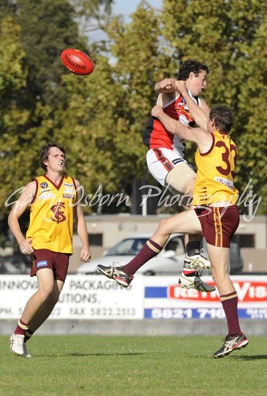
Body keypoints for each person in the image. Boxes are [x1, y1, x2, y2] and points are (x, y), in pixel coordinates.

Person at [98, 104, 248, 358]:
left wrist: (159, 114)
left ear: (212, 123)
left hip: (217, 212)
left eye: (206, 121)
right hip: (214, 211)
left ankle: (235, 333)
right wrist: (187, 95)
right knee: (166, 226)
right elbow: (202, 119)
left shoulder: (207, 136)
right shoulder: (229, 142)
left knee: (220, 275)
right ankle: (127, 272)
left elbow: (178, 128)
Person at [8, 142, 91, 357]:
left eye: (62, 154)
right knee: (45, 289)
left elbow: (80, 218)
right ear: (46, 161)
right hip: (41, 244)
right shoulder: (35, 185)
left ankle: (24, 337)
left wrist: (86, 245)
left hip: (63, 248)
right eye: (55, 155)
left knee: (53, 298)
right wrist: (21, 240)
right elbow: (12, 217)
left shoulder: (74, 184)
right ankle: (18, 333)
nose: (61, 158)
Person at [142, 59, 213, 292]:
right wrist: (166, 84)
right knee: (200, 192)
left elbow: (209, 127)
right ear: (191, 76)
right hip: (161, 152)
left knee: (197, 213)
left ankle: (189, 274)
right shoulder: (174, 90)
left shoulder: (199, 103)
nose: (204, 85)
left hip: (178, 159)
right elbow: (162, 87)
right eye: (202, 79)